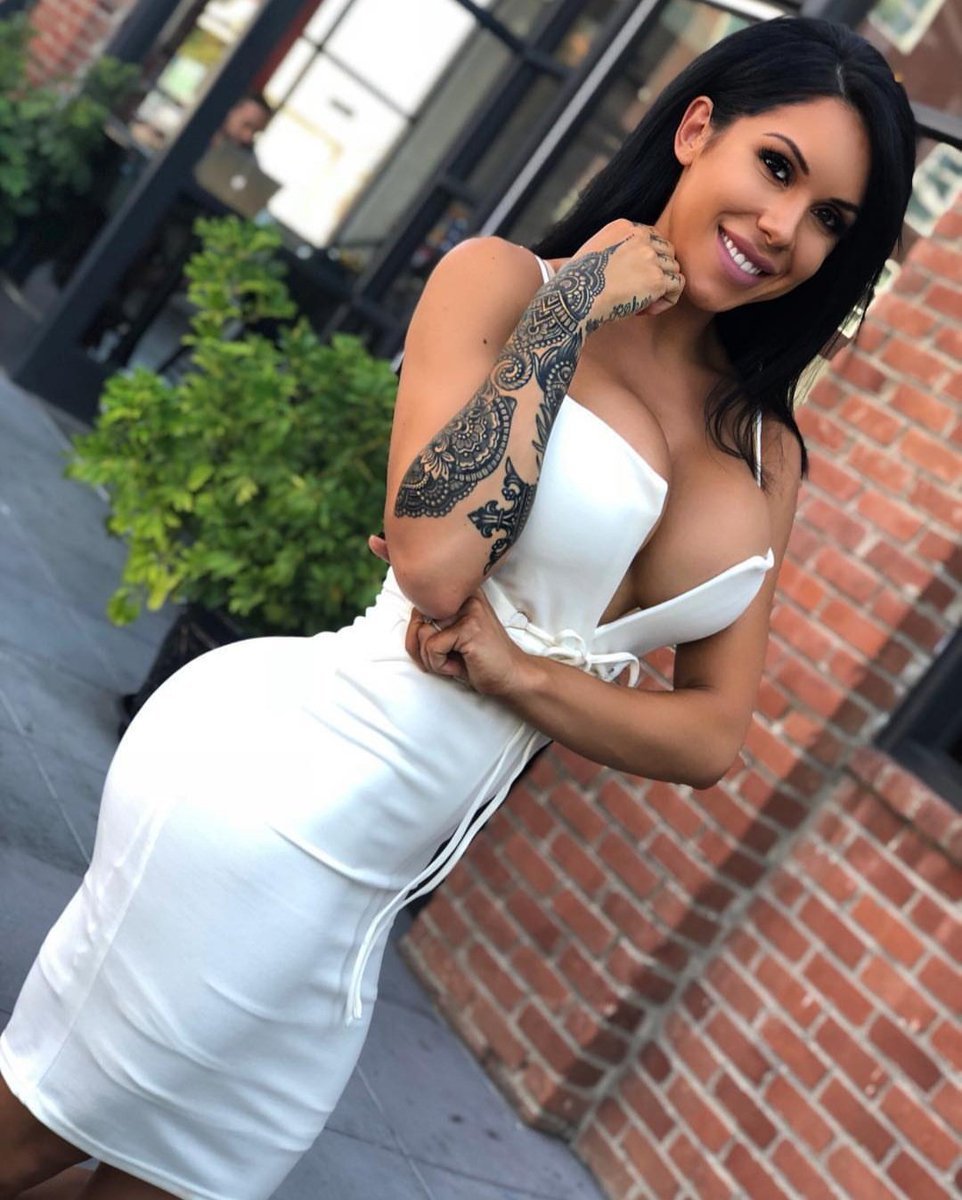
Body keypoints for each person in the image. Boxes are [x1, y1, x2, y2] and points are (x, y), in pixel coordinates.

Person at [0, 17, 914, 1200]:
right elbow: (435, 564)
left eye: (830, 217)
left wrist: (521, 672)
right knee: (36, 1138)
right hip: (270, 797)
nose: (784, 227)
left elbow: (708, 736)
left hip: (366, 894)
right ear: (697, 130)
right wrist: (569, 310)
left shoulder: (763, 454)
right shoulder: (502, 282)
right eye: (775, 167)